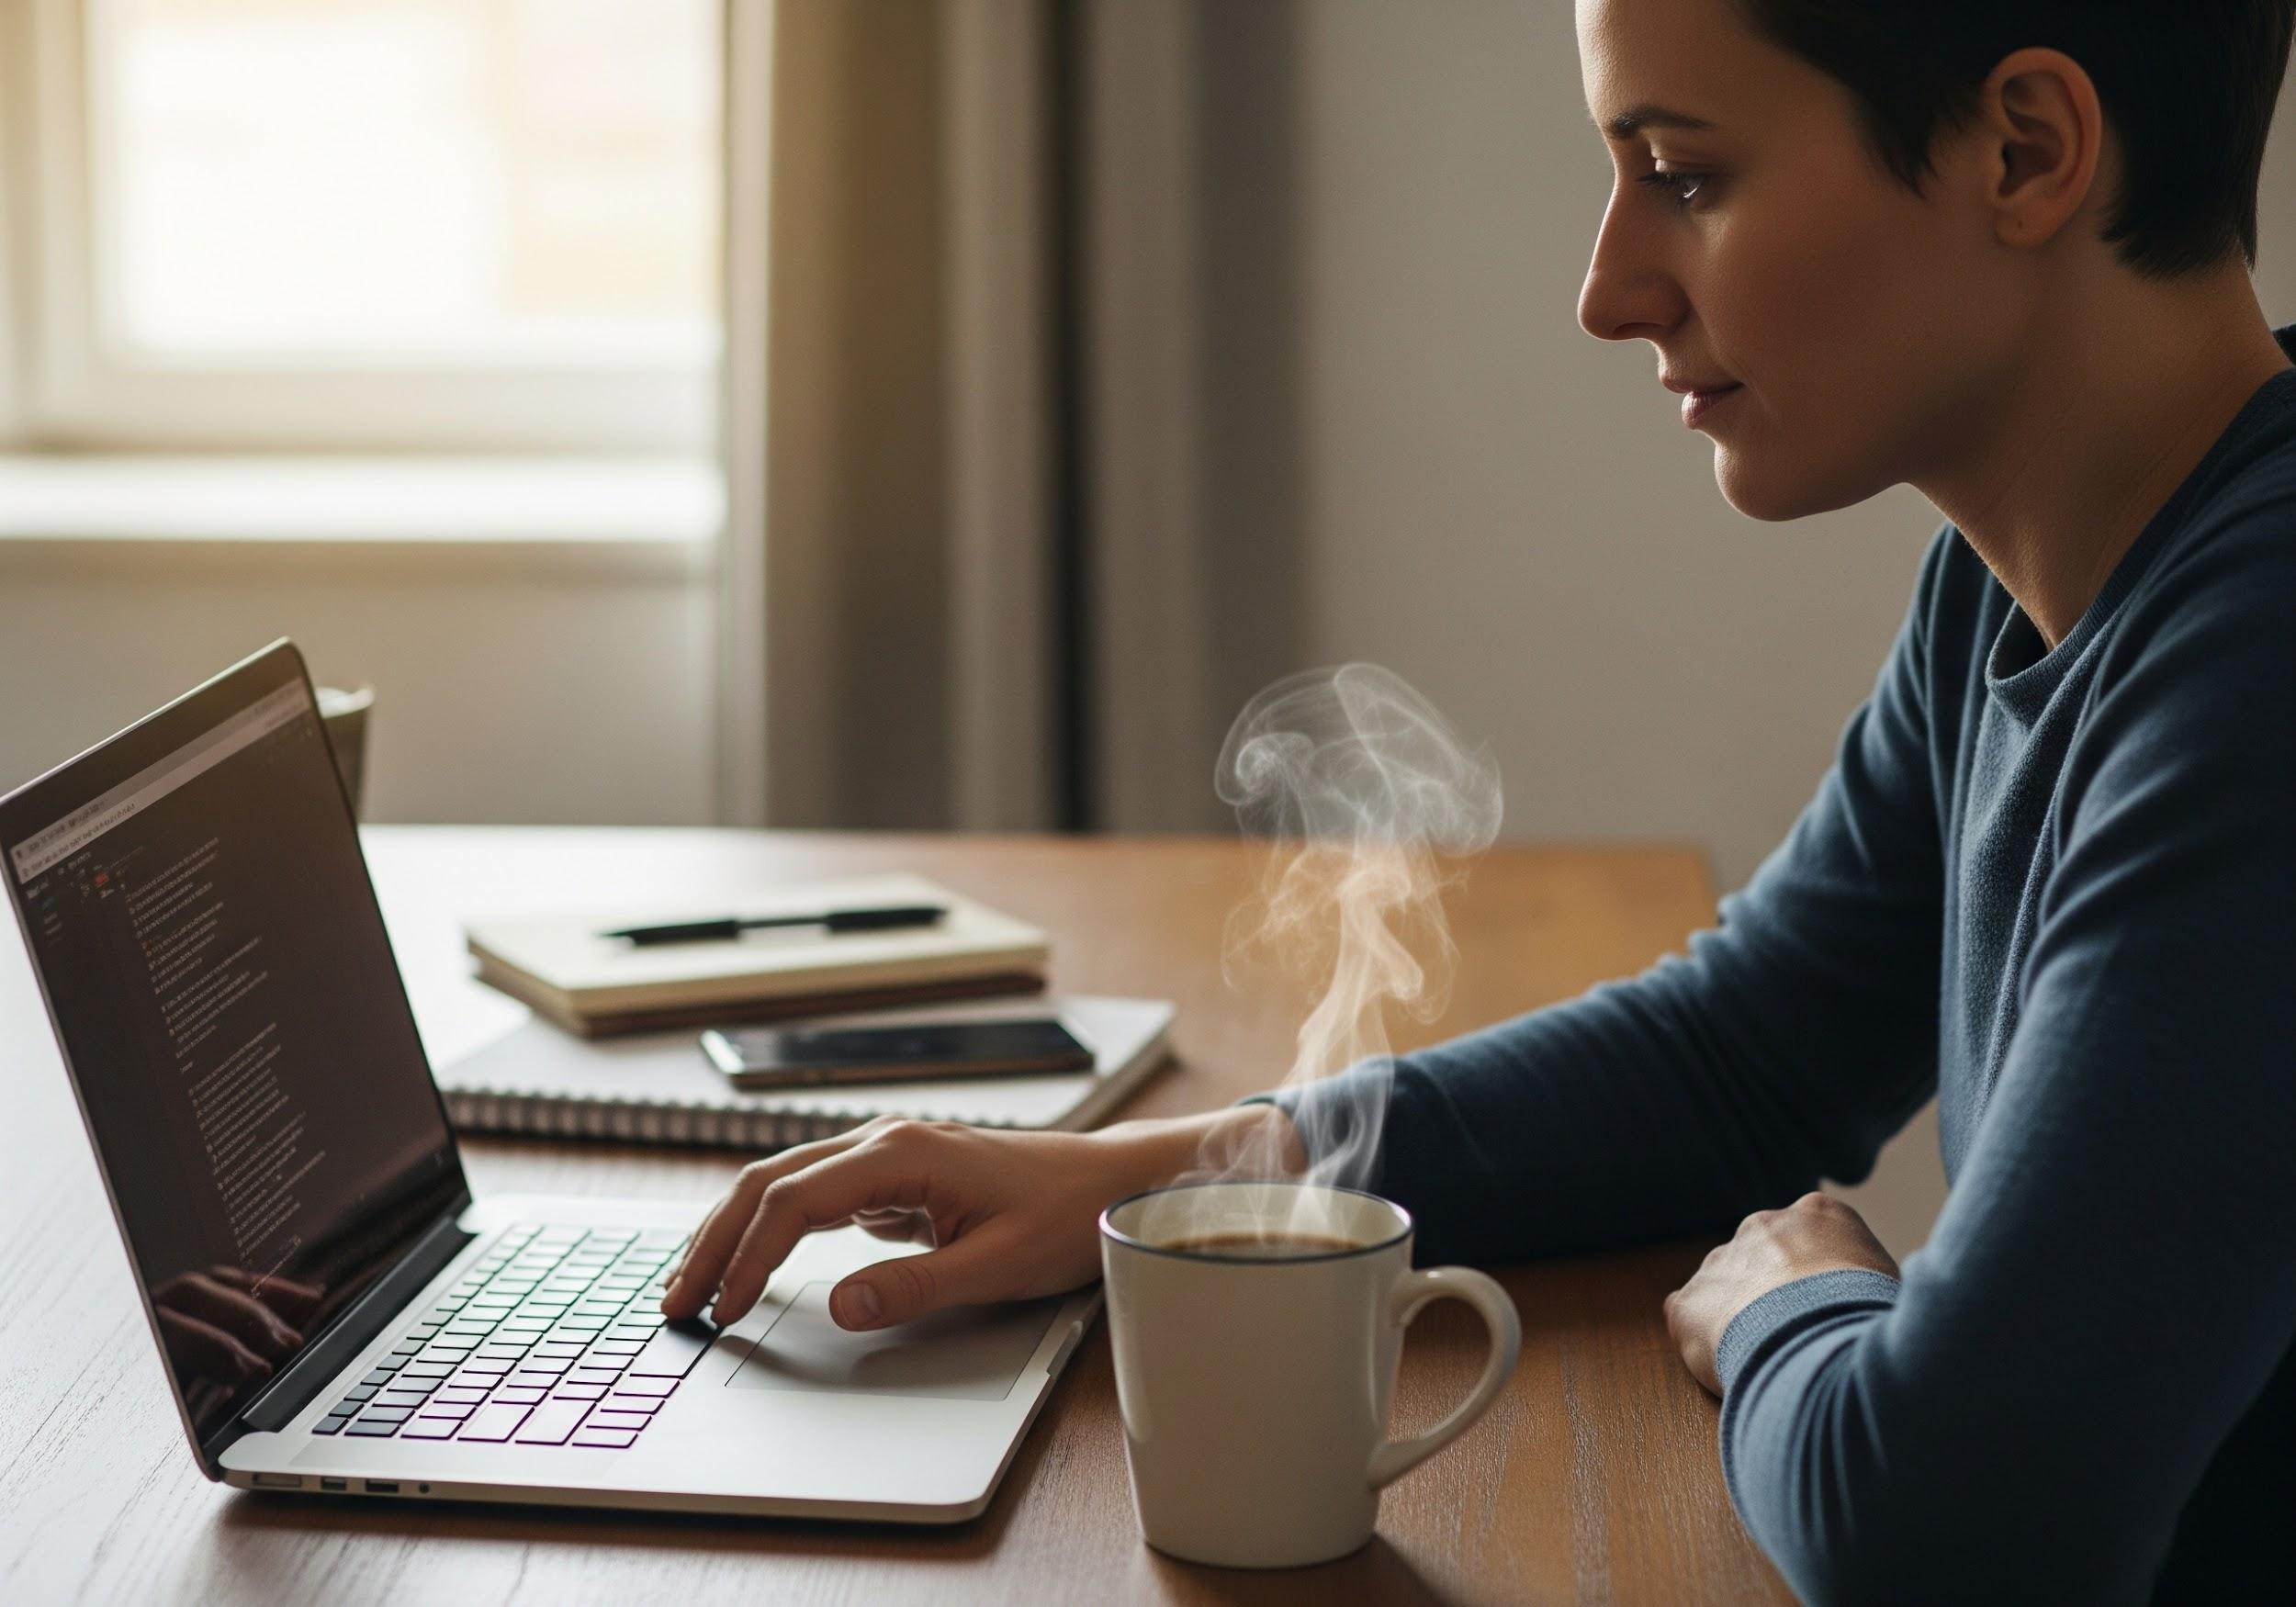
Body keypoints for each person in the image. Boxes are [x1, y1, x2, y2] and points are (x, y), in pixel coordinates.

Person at [666, 1, 2296, 1598]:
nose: (1607, 289)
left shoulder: (2255, 681)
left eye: (1687, 173)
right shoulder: (2020, 588)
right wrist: (1167, 1182)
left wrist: (1786, 1310)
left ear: (2024, 150)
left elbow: (1954, 1526)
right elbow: (1745, 1056)